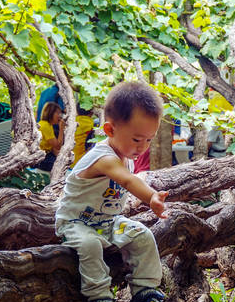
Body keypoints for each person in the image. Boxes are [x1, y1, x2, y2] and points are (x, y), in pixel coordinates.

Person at [54, 81, 168, 302]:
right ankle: (99, 295)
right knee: (90, 245)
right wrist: (151, 196)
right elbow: (127, 181)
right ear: (109, 129)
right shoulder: (103, 158)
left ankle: (145, 289)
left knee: (143, 235)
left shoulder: (126, 156)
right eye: (136, 139)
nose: (142, 147)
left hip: (107, 223)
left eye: (149, 140)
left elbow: (132, 177)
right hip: (75, 223)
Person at [36, 101, 65, 172]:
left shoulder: (47, 125)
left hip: (45, 155)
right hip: (42, 159)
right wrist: (61, 129)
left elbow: (54, 149)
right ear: (50, 113)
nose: (60, 116)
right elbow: (57, 146)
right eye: (58, 113)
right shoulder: (45, 126)